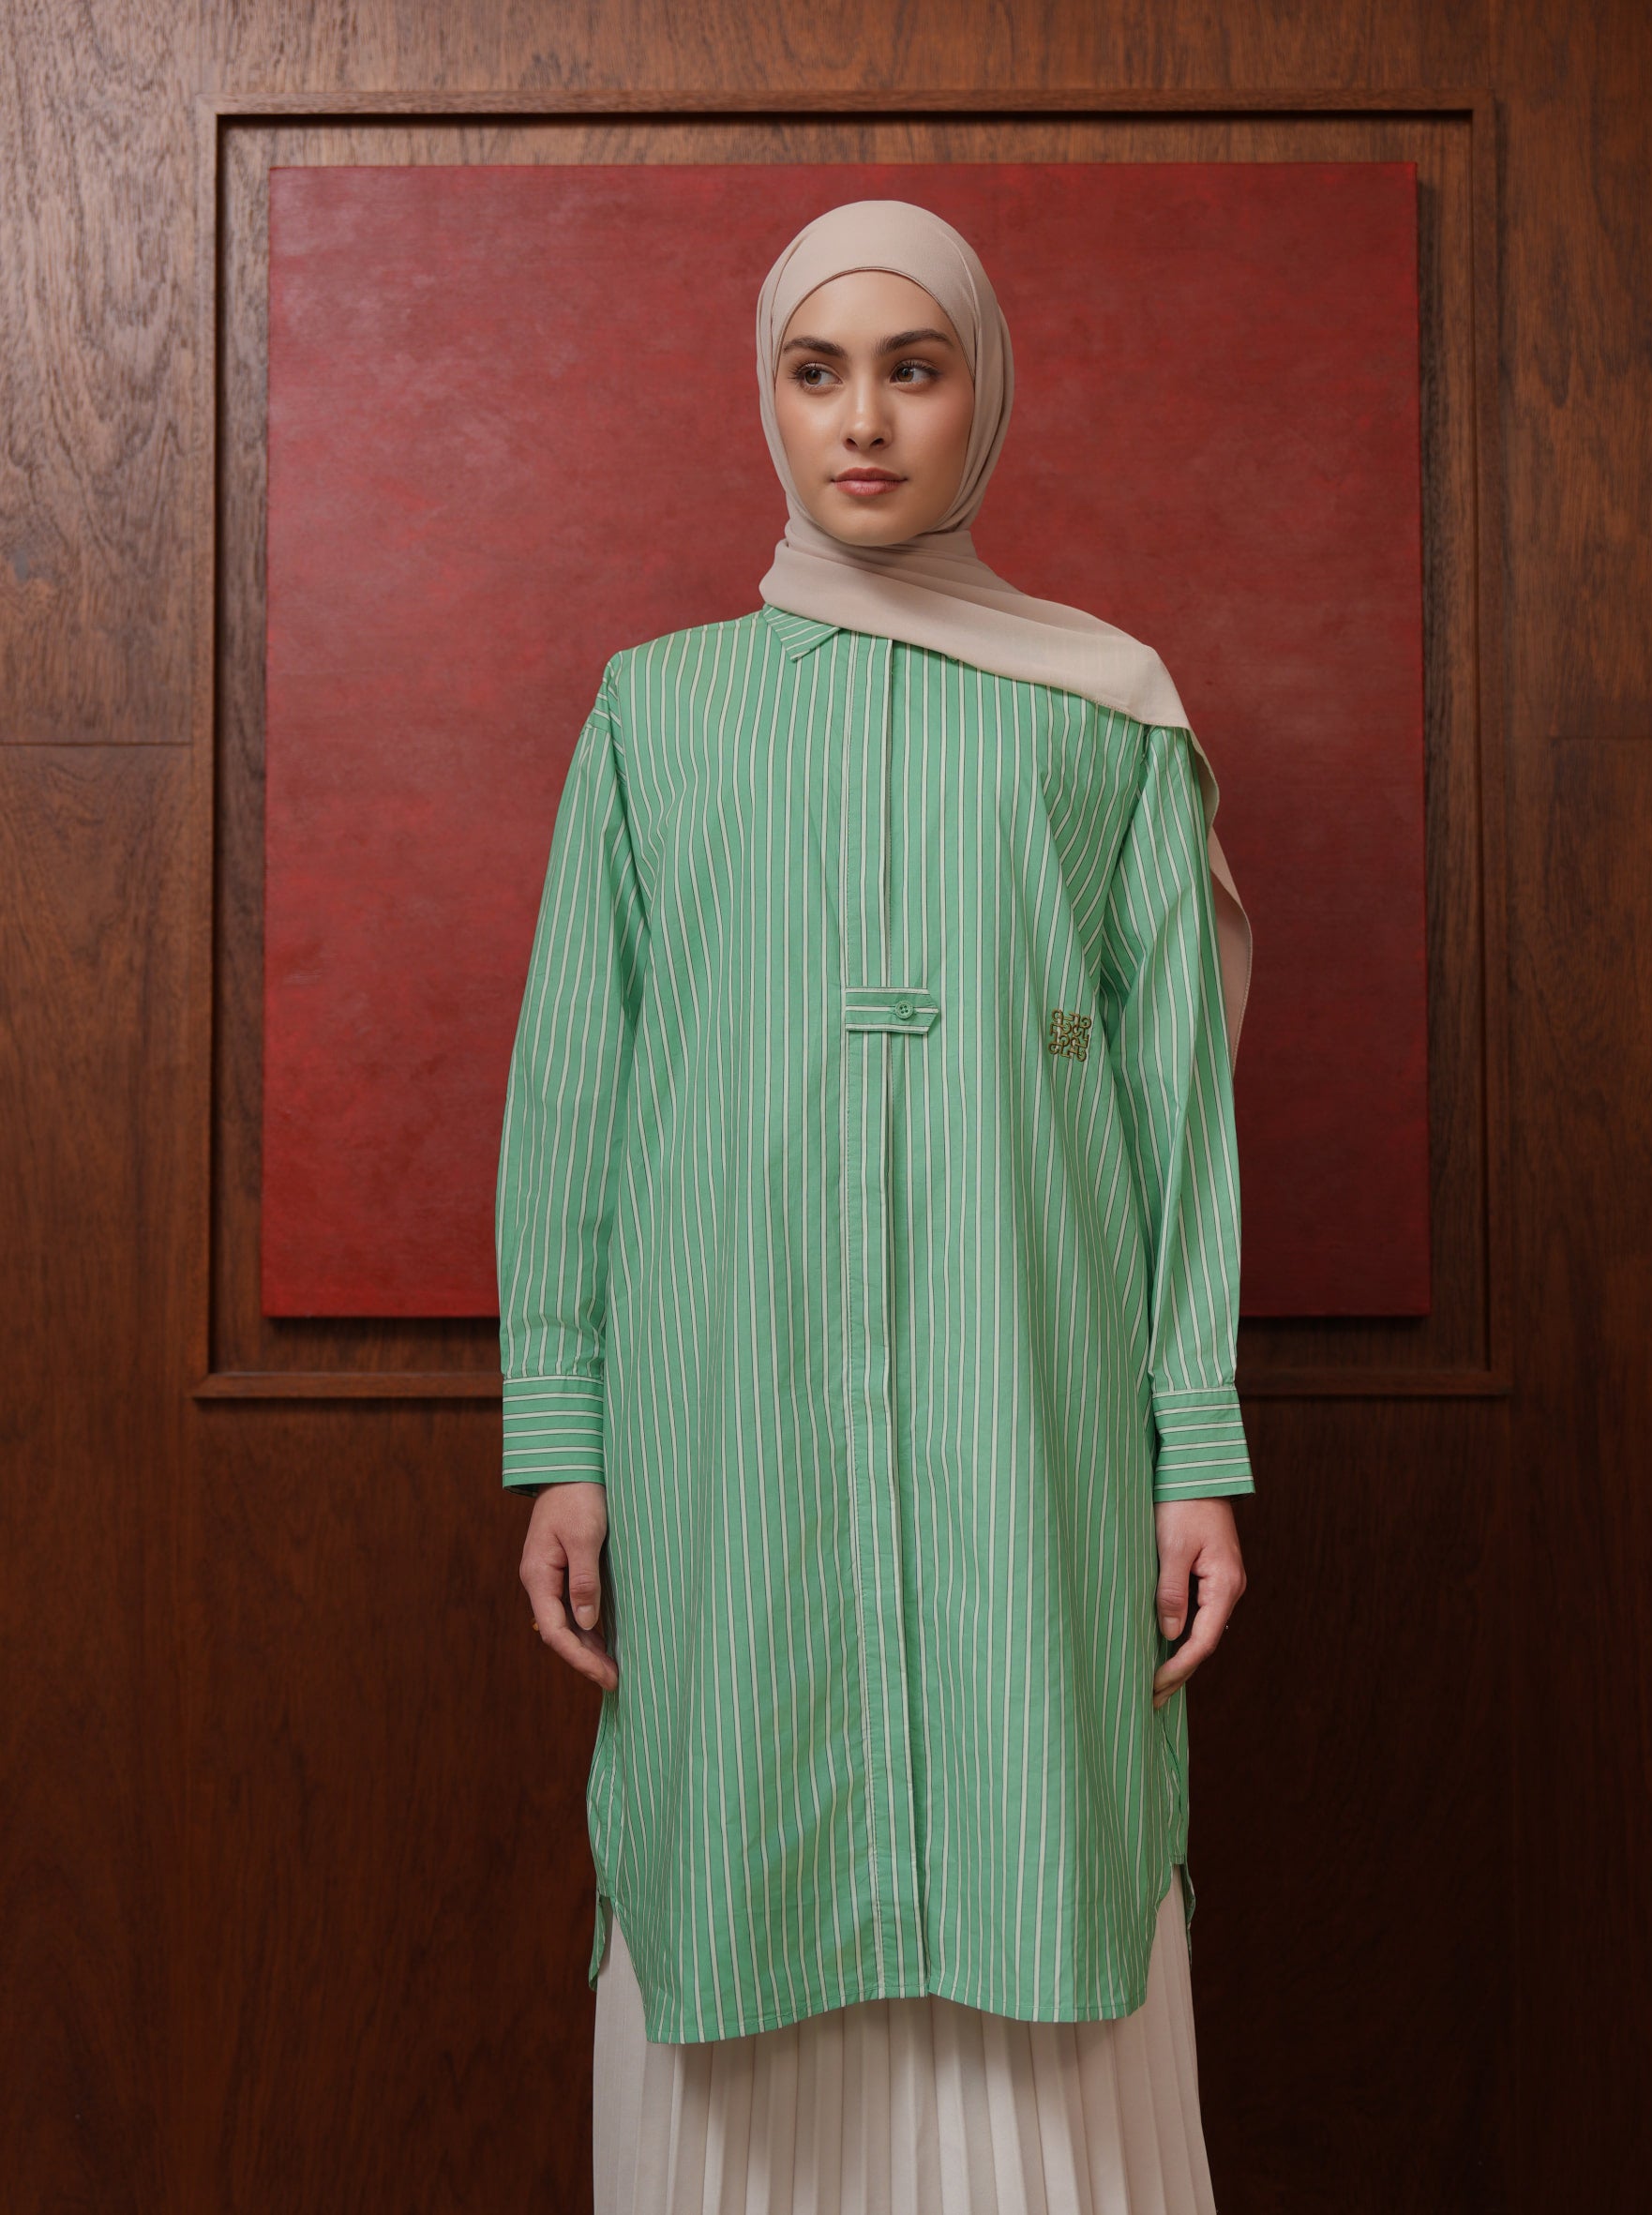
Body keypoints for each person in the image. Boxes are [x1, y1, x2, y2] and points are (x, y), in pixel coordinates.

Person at [497, 198, 1255, 2215]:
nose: (861, 420)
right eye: (815, 370)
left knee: (1045, 1828)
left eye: (913, 369)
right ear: (763, 395)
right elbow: (574, 1090)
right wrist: (563, 1435)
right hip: (721, 1416)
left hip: (1038, 1412)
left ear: (981, 394)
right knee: (740, 1823)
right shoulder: (655, 711)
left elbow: (1179, 1109)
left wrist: (1194, 1449)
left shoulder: (1104, 709)